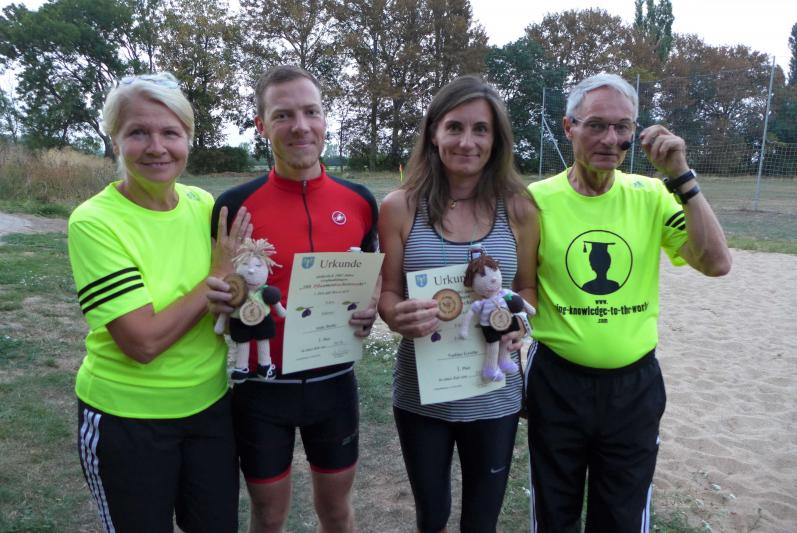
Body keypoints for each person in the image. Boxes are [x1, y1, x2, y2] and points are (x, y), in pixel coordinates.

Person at [526, 73, 732, 532]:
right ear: (569, 127)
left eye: (622, 127)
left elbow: (716, 263)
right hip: (557, 381)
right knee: (554, 515)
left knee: (622, 517)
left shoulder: (652, 195)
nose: (610, 139)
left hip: (633, 388)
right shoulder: (535, 200)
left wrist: (681, 177)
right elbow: (518, 288)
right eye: (596, 125)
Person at [67, 72, 250, 532]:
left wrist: (236, 293)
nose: (156, 147)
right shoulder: (95, 222)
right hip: (127, 419)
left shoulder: (203, 204)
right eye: (138, 133)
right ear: (115, 140)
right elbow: (142, 342)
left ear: (188, 138)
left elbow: (229, 293)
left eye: (170, 132)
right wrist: (214, 280)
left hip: (210, 410)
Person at [207, 65, 379, 533]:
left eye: (311, 112)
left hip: (334, 385)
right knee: (267, 517)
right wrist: (218, 296)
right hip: (261, 390)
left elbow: (372, 275)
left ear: (325, 119)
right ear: (261, 125)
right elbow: (215, 284)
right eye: (283, 115)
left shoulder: (360, 200)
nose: (300, 126)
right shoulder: (233, 206)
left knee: (337, 514)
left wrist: (370, 308)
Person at [377, 75, 537, 532]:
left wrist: (517, 325)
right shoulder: (400, 207)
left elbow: (528, 290)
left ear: (496, 139)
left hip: (494, 395)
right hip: (421, 396)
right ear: (434, 133)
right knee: (432, 518)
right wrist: (396, 316)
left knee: (481, 522)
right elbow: (388, 293)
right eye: (455, 127)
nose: (467, 141)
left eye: (480, 129)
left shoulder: (519, 208)